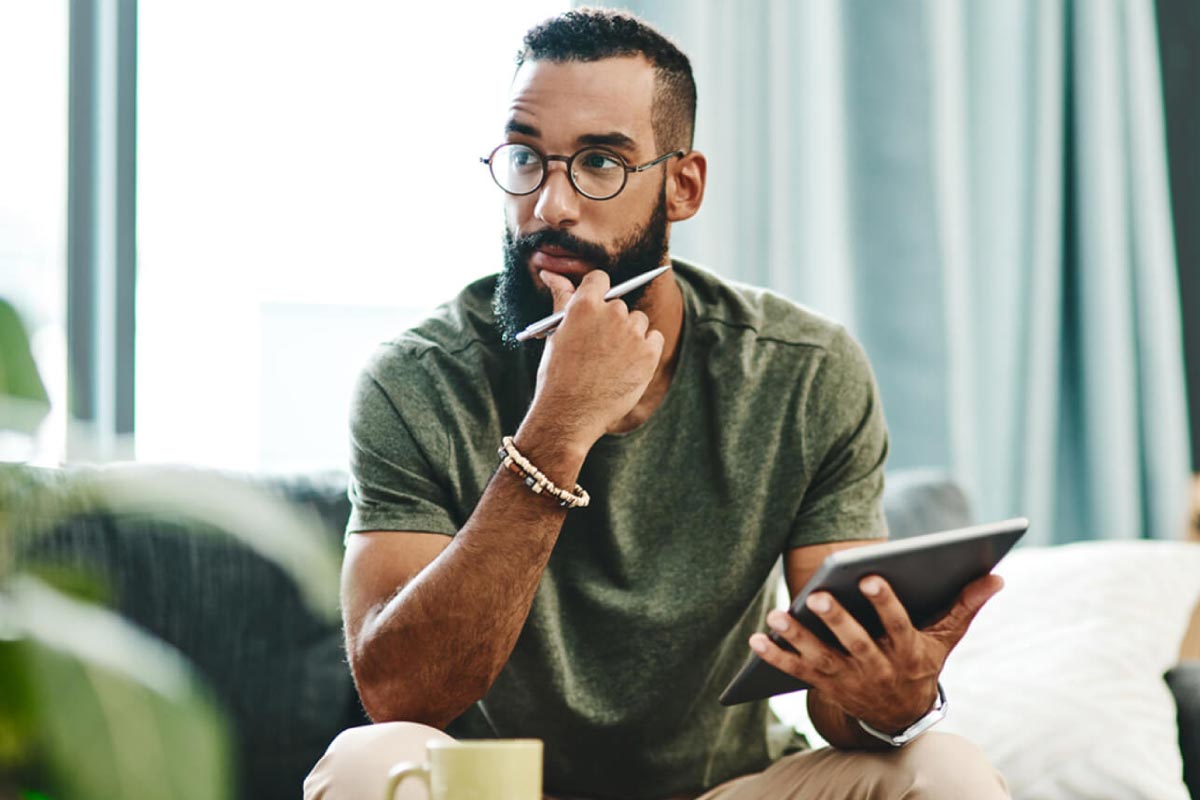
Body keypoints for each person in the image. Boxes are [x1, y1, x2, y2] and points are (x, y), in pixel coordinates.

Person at [305, 8, 1008, 799]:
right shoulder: (417, 379)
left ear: (683, 185)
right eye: (525, 158)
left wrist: (895, 698)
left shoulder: (804, 371)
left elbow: (838, 707)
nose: (549, 206)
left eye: (600, 163)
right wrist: (556, 430)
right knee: (366, 764)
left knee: (944, 768)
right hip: (500, 791)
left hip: (723, 789)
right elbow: (401, 696)